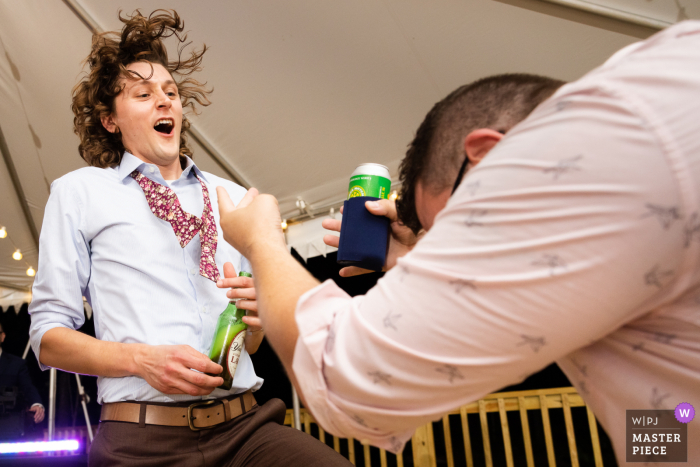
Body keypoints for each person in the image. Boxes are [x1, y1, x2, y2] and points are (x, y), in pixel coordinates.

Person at [216, 20, 700, 464]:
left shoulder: (567, 154)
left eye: (457, 227)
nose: (457, 250)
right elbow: (672, 419)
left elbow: (350, 384)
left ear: (487, 154)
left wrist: (263, 244)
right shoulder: (660, 77)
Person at [28, 10, 350, 467]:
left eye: (171, 92)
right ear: (109, 121)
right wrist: (141, 361)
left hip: (245, 430)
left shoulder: (235, 198)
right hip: (139, 441)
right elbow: (47, 337)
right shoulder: (79, 193)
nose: (165, 101)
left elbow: (251, 343)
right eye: (143, 94)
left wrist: (256, 318)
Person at [0, 322, 45, 425]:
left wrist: (36, 404)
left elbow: (28, 387)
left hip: (7, 423)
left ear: (2, 337)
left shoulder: (16, 364)